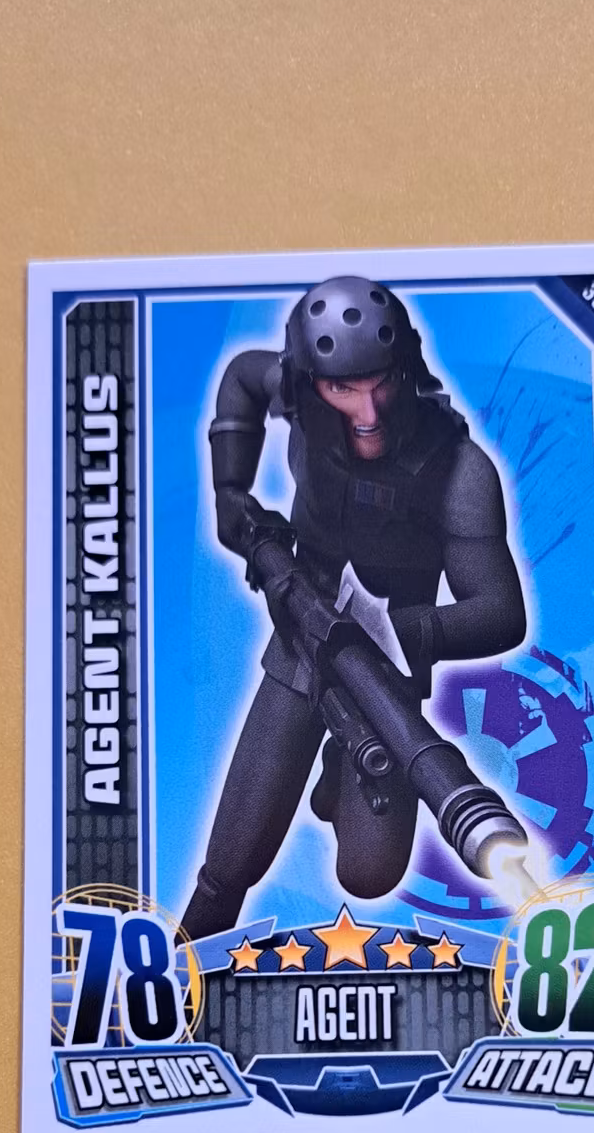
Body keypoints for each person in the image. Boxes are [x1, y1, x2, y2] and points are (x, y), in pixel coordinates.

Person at [181, 276, 527, 940]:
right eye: (343, 389)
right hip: (299, 634)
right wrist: (231, 490)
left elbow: (501, 612)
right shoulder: (297, 391)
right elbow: (243, 377)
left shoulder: (459, 473)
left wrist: (397, 632)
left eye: (381, 384)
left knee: (367, 874)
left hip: (385, 668)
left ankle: (341, 771)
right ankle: (176, 968)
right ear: (311, 384)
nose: (368, 412)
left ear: (406, 369)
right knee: (228, 863)